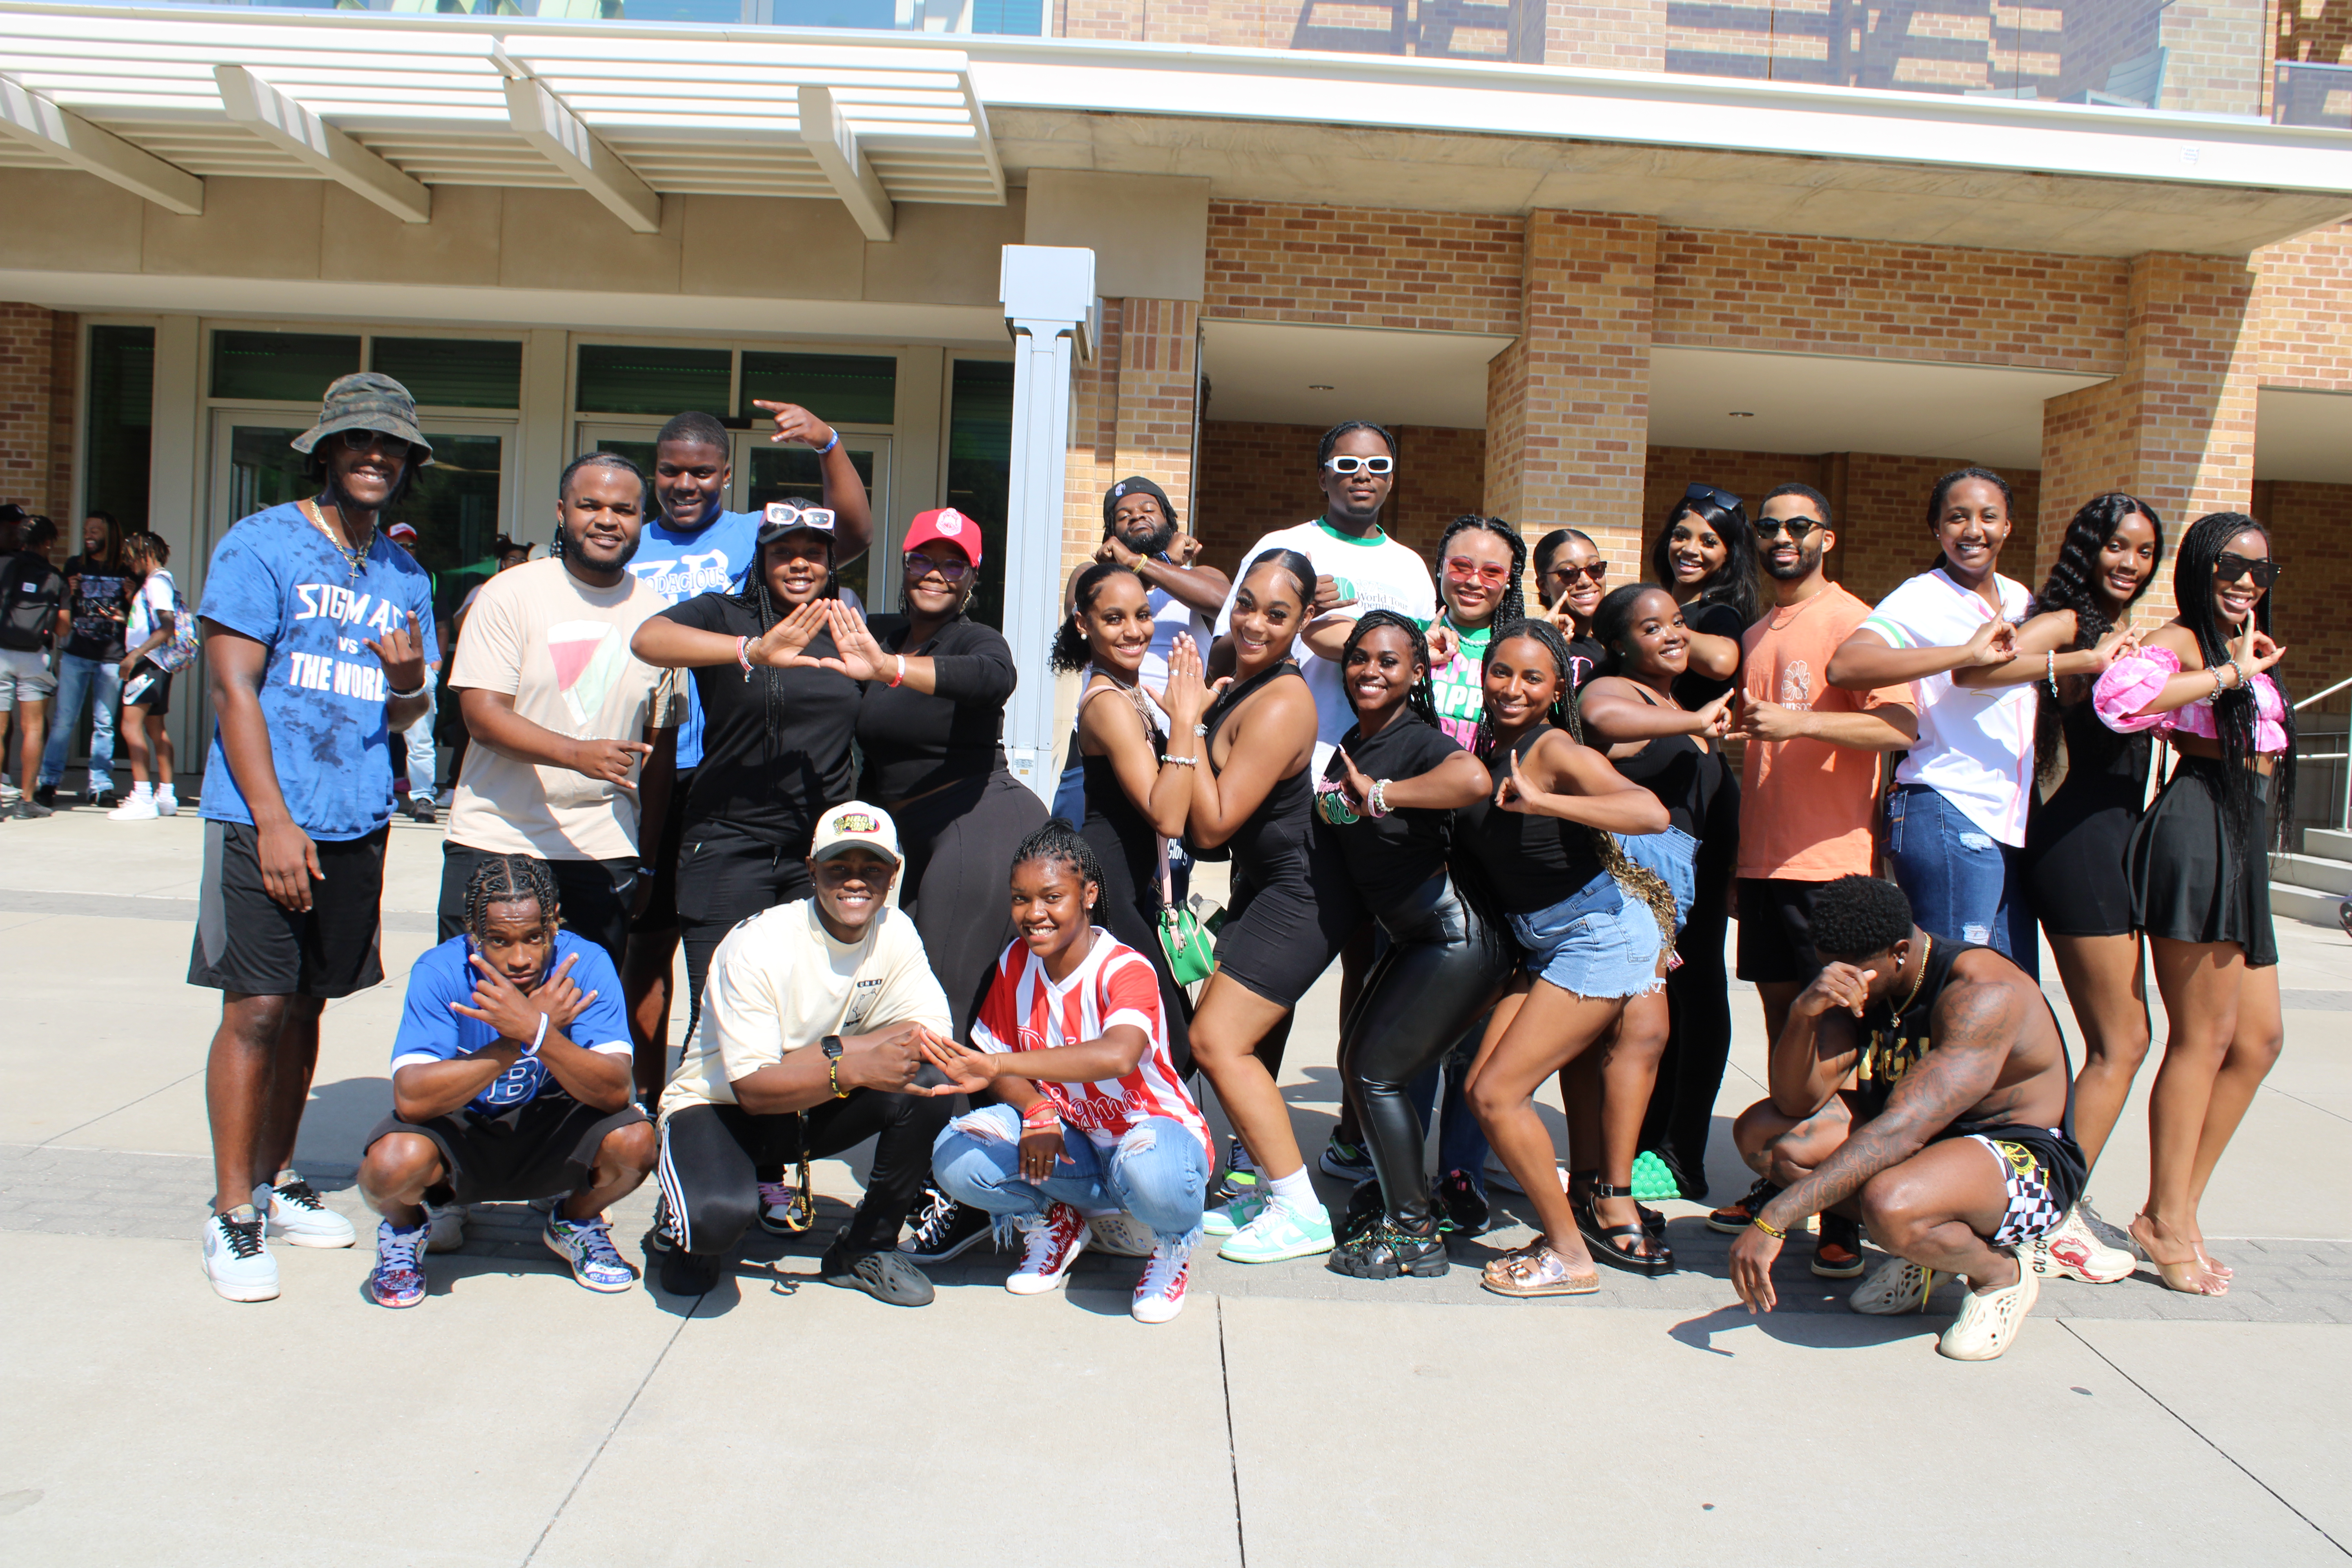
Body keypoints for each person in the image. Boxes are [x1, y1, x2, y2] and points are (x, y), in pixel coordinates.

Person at [189, 372, 436, 1303]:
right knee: (254, 1005)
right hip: (265, 814)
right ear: (327, 451)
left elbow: (406, 708)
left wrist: (412, 679)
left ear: (407, 465)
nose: (374, 457)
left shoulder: (406, 573)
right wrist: (274, 822)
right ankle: (231, 1209)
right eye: (357, 443)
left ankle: (282, 1178)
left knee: (308, 1006)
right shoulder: (262, 544)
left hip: (359, 814)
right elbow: (231, 689)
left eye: (391, 448)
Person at [619, 405, 872, 1111]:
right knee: (721, 1011)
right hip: (720, 834)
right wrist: (749, 652)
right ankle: (688, 1148)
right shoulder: (723, 613)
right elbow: (647, 640)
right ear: (759, 561)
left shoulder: (847, 628)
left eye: (813, 554)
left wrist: (828, 439)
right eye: (784, 551)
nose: (800, 562)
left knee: (797, 1015)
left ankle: (771, 1165)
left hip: (809, 851)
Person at [1725, 875, 2085, 1362]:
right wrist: (1805, 1012)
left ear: (1899, 951)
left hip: (2020, 1163)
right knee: (1766, 1137)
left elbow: (1903, 1129)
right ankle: (1924, 1249)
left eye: (1851, 968)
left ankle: (2000, 1274)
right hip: (1924, 1147)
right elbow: (1794, 1101)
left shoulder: (1981, 993)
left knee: (1890, 1203)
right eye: (1828, 964)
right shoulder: (1862, 974)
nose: (1839, 977)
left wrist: (1775, 1218)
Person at [1950, 493, 2163, 1286]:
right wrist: (2078, 664)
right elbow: (1977, 668)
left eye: (2144, 552)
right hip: (2078, 841)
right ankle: (2051, 1207)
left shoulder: (2122, 630)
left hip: (2112, 840)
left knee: (2118, 1036)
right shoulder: (2070, 623)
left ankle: (2044, 1194)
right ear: (2085, 549)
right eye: (2115, 547)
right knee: (2122, 1038)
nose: (2129, 564)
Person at [1707, 483, 1917, 1271]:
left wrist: (1800, 721)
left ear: (1829, 535)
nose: (1783, 537)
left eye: (1799, 525)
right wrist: (1740, 862)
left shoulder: (1853, 621)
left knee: (1834, 1045)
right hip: (1765, 864)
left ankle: (1842, 1212)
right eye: (1769, 528)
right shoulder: (1762, 629)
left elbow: (1899, 724)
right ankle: (1785, 1182)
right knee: (1785, 1039)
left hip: (1831, 866)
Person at [2091, 511, 2292, 1296]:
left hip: (2241, 837)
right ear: (2202, 567)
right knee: (2203, 1037)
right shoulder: (2181, 639)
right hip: (2200, 827)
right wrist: (2229, 676)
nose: (2246, 581)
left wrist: (2245, 667)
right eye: (2231, 566)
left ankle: (2175, 1208)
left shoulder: (2239, 643)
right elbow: (2119, 700)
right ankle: (2168, 1219)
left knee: (2259, 1039)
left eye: (2261, 570)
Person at [651, 803, 957, 1306]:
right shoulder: (758, 944)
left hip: (801, 1101)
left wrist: (826, 1054)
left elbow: (930, 1036)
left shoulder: (895, 930)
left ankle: (865, 1249)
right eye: (839, 866)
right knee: (710, 1232)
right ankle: (689, 1199)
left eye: (872, 868)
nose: (856, 881)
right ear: (812, 868)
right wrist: (854, 1065)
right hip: (717, 1108)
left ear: (894, 872)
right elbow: (750, 1088)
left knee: (927, 1078)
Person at [1453, 618, 1673, 1297]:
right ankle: (1569, 1226)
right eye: (1500, 672)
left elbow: (1651, 813)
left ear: (1555, 692)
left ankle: (1571, 1256)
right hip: (1545, 940)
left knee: (1497, 1096)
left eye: (1531, 679)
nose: (1512, 689)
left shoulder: (1549, 750)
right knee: (1482, 1090)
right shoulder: (1497, 746)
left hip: (1593, 936)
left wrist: (1547, 802)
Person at [925, 823, 1212, 1323]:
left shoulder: (1125, 969)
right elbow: (995, 1056)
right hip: (1076, 1146)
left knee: (1151, 1168)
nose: (1034, 915)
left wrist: (999, 1065)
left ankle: (1171, 1244)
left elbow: (1116, 1055)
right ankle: (1056, 1222)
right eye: (1021, 899)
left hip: (1153, 1143)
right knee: (956, 1153)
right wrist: (1035, 1109)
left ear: (1089, 894)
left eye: (1052, 897)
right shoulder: (1016, 962)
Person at [358, 854, 656, 1307]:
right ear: (473, 934)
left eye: (535, 938)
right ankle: (404, 1230)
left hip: (548, 1127)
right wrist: (521, 1038)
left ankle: (573, 1221)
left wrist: (538, 1034)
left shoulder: (587, 963)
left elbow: (616, 1091)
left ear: (555, 924)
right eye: (499, 941)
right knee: (389, 1164)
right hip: (461, 1131)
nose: (520, 958)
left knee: (636, 1140)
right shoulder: (439, 970)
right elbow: (412, 1100)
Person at [1314, 612, 1512, 1277]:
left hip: (1453, 936)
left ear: (1416, 674)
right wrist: (1337, 803)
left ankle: (1413, 1231)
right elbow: (1346, 816)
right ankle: (1404, 1203)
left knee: (1376, 1074)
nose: (1371, 671)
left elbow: (1474, 781)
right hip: (1415, 936)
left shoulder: (1417, 742)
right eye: (1360, 658)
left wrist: (1382, 797)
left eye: (1389, 661)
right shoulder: (1357, 741)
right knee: (1358, 1065)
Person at [437, 452, 683, 974]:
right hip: (497, 841)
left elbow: (658, 752)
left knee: (579, 1026)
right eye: (589, 505)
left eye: (625, 509)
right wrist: (575, 754)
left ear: (643, 519)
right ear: (561, 511)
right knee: (478, 1025)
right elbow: (481, 715)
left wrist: (647, 862)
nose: (607, 520)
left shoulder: (660, 616)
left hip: (602, 854)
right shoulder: (511, 593)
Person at [1188, 549, 1361, 1265]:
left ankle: (1300, 1209)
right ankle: (1266, 1186)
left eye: (1278, 613)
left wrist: (1187, 727)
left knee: (1215, 1040)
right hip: (1267, 885)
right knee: (1246, 1046)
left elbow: (1212, 825)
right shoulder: (1245, 677)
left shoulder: (1286, 700)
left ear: (1305, 622)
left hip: (1304, 891)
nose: (1256, 622)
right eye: (1248, 604)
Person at [828, 508, 1047, 1039]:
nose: (935, 573)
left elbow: (993, 679)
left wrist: (890, 670)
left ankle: (959, 1118)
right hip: (915, 834)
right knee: (901, 991)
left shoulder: (976, 641)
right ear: (904, 565)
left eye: (954, 565)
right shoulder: (877, 633)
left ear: (973, 577)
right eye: (923, 559)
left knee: (940, 1002)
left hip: (980, 820)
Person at [1572, 585, 1733, 1271]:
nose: (1672, 634)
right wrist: (1692, 718)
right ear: (1619, 644)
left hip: (1672, 889)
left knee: (1631, 1037)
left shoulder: (1673, 704)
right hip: (1627, 880)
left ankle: (1598, 1185)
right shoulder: (1622, 693)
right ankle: (1611, 1196)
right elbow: (1597, 712)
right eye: (1650, 627)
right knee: (1643, 1032)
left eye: (1676, 622)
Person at [1827, 467, 2038, 971]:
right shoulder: (1923, 595)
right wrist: (1962, 652)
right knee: (1955, 983)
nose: (1973, 531)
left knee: (2007, 989)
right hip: (1947, 805)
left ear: (2008, 527)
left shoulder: (2021, 599)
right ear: (1936, 529)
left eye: (1989, 517)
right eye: (1957, 518)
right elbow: (1846, 665)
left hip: (2005, 817)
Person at [1050, 561, 1205, 1074]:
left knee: (1162, 1034)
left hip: (1135, 882)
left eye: (1142, 615)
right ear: (1083, 624)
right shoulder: (1108, 703)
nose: (1134, 630)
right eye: (1114, 619)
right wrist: (1186, 721)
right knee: (1172, 1040)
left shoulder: (1130, 690)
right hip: (1110, 883)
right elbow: (1165, 812)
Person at [1210, 422, 1437, 768]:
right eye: (1347, 464)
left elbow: (1420, 669)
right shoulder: (1281, 548)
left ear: (1391, 481)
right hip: (1281, 759)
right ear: (1322, 478)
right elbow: (1218, 663)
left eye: (1379, 466)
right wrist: (1292, 609)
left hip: (1378, 768)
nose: (1363, 475)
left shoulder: (1412, 568)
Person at [1054, 475, 1230, 823]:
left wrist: (1148, 562)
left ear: (1171, 521)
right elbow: (1077, 603)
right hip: (1102, 744)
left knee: (1163, 872)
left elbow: (1226, 604)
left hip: (1175, 744)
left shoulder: (1201, 576)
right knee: (1073, 859)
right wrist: (1156, 559)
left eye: (1149, 509)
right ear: (1110, 533)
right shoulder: (1090, 573)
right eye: (1124, 516)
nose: (1137, 516)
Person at [36, 508, 133, 809]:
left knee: (104, 724)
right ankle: (48, 782)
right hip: (77, 653)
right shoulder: (75, 565)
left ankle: (100, 786)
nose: (88, 536)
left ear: (109, 534)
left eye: (95, 531)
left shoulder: (126, 569)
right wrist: (69, 589)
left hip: (111, 656)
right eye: (86, 531)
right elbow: (63, 604)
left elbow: (137, 618)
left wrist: (129, 602)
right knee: (64, 721)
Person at [1649, 482, 1759, 708]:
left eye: (1709, 542)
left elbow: (1722, 661)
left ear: (1728, 555)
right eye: (1681, 535)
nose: (1690, 549)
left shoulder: (1718, 614)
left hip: (1686, 743)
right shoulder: (1665, 606)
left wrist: (1655, 629)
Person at [107, 532, 182, 821]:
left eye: (131, 557)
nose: (129, 564)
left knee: (130, 726)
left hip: (147, 664)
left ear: (144, 553)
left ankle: (142, 796)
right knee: (156, 729)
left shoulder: (158, 582)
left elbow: (166, 627)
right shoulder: (157, 583)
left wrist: (134, 656)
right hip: (157, 665)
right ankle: (166, 796)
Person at [0, 514, 63, 819]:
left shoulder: (3, 565)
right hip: (34, 657)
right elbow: (63, 628)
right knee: (33, 729)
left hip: (1, 653)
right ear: (48, 542)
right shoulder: (54, 576)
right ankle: (27, 801)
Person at [383, 520, 442, 823]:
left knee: (420, 740)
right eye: (399, 544)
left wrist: (434, 664)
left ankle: (423, 798)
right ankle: (378, 792)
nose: (406, 550)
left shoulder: (421, 578)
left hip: (417, 669)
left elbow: (433, 625)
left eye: (410, 545)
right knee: (371, 733)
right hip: (377, 666)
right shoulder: (372, 573)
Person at [1532, 526, 1608, 690]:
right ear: (1544, 586)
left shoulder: (1617, 643)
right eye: (1568, 573)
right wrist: (1542, 640)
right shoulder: (1535, 644)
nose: (1586, 581)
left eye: (1595, 568)